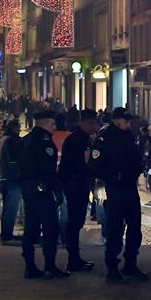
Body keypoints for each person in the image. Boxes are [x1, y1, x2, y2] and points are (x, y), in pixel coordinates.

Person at [89, 107, 146, 282]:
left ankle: (131, 263)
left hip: (129, 186)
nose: (128, 124)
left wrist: (136, 170)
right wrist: (112, 176)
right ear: (116, 120)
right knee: (115, 228)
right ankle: (112, 267)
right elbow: (95, 165)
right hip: (114, 188)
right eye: (125, 121)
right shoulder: (105, 138)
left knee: (135, 226)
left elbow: (136, 158)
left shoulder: (129, 136)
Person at [18, 110, 68, 279]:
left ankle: (30, 266)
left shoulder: (26, 139)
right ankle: (50, 266)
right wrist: (56, 189)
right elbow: (48, 169)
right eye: (53, 124)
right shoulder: (44, 141)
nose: (55, 127)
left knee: (30, 228)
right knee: (50, 227)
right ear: (45, 123)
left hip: (28, 188)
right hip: (42, 189)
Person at [59, 109, 97, 272]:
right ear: (83, 122)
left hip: (79, 183)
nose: (94, 126)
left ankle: (75, 258)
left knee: (77, 222)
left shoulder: (82, 138)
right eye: (91, 123)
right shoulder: (77, 140)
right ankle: (73, 259)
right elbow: (80, 164)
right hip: (75, 185)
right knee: (74, 222)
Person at [0, 119, 22, 244]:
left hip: (4, 177)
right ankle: (7, 236)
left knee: (8, 207)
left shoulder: (3, 139)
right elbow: (13, 162)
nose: (19, 130)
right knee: (11, 208)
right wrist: (18, 175)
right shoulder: (11, 141)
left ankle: (6, 234)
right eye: (18, 128)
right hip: (11, 178)